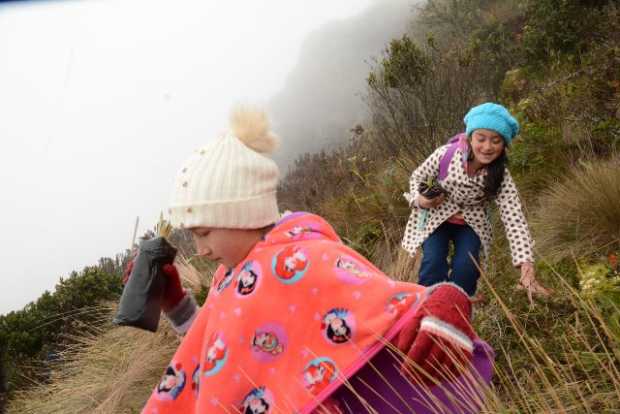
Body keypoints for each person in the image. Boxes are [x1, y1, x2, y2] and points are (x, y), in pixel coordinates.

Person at [137, 107, 495, 414]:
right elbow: (223, 353)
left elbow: (378, 313)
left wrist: (445, 301)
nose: (200, 249)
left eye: (203, 233)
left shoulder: (305, 259)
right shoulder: (229, 275)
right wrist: (179, 308)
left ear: (239, 216)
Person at [402, 102, 551, 301]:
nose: (487, 147)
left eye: (496, 141)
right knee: (433, 262)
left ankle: (458, 311)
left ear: (504, 144)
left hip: (471, 224)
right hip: (437, 218)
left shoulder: (500, 176)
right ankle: (426, 308)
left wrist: (526, 267)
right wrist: (420, 200)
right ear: (470, 137)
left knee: (467, 268)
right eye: (481, 138)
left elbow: (514, 219)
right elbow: (418, 177)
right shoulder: (445, 155)